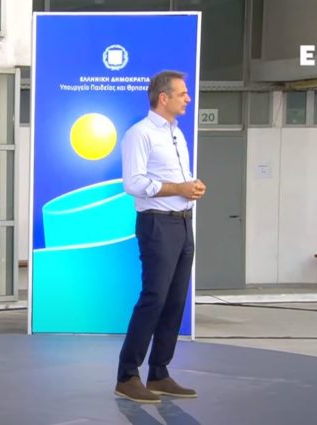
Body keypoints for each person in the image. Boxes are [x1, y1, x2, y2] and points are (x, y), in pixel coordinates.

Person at [115, 70, 206, 404]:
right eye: (182, 93)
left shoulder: (176, 133)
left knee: (175, 300)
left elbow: (176, 177)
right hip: (156, 224)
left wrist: (191, 186)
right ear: (163, 98)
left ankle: (159, 373)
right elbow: (134, 183)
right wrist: (178, 188)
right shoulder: (139, 134)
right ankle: (127, 376)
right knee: (154, 297)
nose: (188, 98)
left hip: (183, 223)